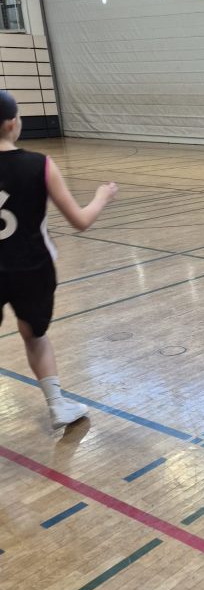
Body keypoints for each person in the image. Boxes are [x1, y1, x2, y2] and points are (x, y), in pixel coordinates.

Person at [0, 91, 118, 428]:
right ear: (13, 123)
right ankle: (57, 406)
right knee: (34, 335)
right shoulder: (41, 164)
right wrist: (102, 196)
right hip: (32, 268)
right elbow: (80, 221)